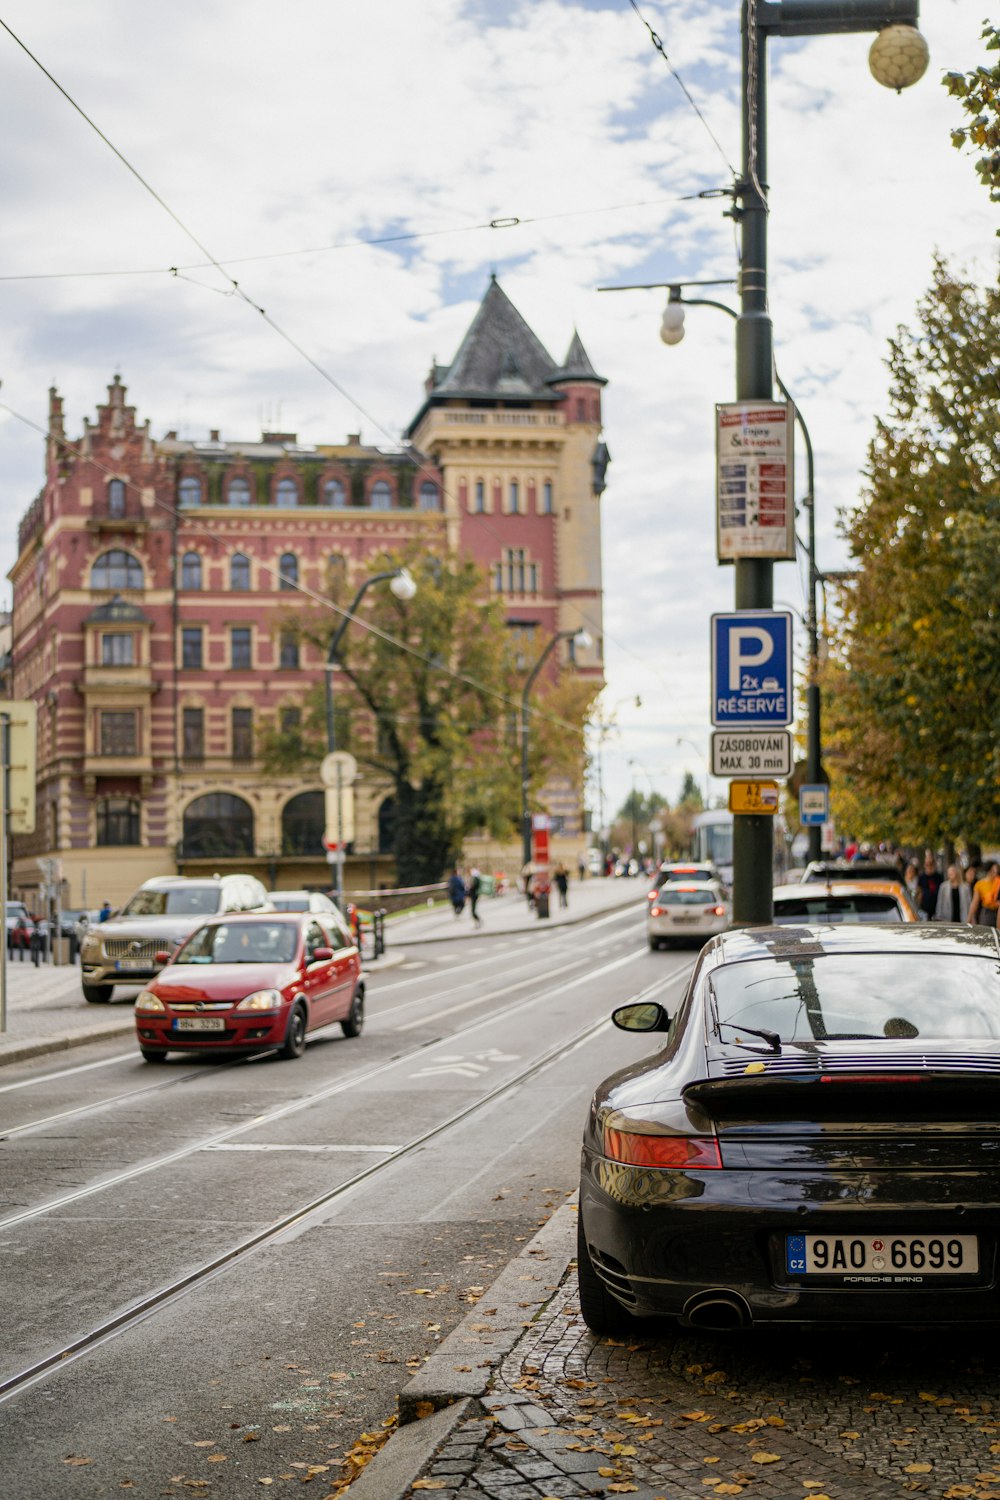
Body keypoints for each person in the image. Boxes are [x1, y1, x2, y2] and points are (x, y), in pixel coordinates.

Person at [969, 860, 1000, 928]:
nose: (996, 872)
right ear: (989, 870)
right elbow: (974, 903)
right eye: (994, 870)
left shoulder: (998, 882)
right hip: (987, 913)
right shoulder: (980, 884)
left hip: (998, 911)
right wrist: (969, 918)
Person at [916, 851, 942, 921]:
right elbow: (919, 891)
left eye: (931, 864)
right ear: (924, 865)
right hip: (924, 908)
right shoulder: (921, 877)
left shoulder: (939, 877)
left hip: (937, 908)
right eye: (927, 864)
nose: (929, 866)